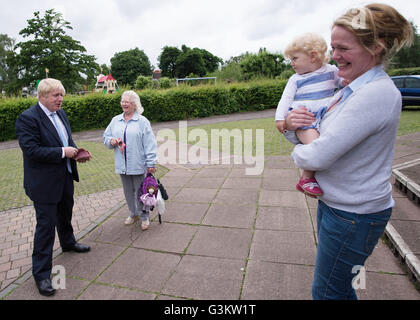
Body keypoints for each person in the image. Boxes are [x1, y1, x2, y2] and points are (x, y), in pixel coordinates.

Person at [284, 3, 413, 300]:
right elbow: (311, 133)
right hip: (338, 205)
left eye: (343, 48)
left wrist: (300, 153)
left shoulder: (375, 94)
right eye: (333, 48)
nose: (335, 57)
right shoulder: (349, 89)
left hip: (353, 214)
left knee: (329, 293)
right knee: (336, 289)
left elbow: (317, 154)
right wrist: (292, 126)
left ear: (376, 47)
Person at [15, 78, 91, 297]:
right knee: (46, 227)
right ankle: (41, 274)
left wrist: (77, 152)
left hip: (65, 176)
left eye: (62, 95)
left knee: (65, 213)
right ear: (42, 96)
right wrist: (62, 152)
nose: (60, 99)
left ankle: (68, 243)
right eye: (56, 95)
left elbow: (67, 140)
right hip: (43, 184)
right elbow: (31, 150)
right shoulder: (27, 118)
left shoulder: (61, 114)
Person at [275, 32, 345, 197]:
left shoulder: (331, 71)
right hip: (305, 119)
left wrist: (346, 82)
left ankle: (315, 178)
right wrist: (280, 118)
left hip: (324, 116)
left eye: (295, 58)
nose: (291, 63)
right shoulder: (296, 79)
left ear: (313, 56)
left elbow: (342, 82)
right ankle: (306, 178)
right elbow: (285, 99)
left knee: (324, 145)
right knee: (315, 145)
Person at [104, 90, 157, 231]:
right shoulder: (116, 120)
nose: (124, 104)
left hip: (138, 164)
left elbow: (150, 143)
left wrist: (151, 162)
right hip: (122, 165)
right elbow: (106, 137)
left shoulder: (142, 121)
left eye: (127, 101)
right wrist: (112, 141)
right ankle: (133, 214)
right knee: (128, 192)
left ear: (134, 105)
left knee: (141, 192)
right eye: (123, 101)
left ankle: (144, 216)